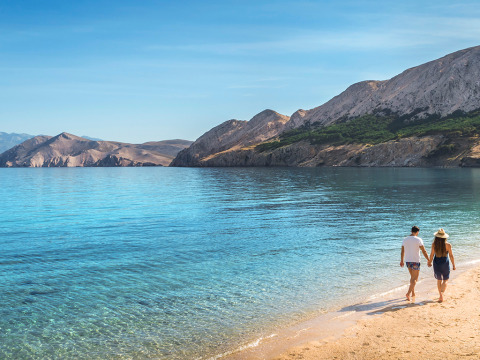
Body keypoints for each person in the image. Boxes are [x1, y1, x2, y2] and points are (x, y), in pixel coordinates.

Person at [400, 226, 429, 301]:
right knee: (415, 279)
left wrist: (402, 261)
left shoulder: (405, 239)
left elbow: (402, 251)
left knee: (412, 278)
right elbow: (424, 251)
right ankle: (408, 293)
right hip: (415, 261)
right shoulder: (418, 239)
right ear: (417, 232)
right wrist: (429, 259)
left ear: (411, 231)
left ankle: (413, 293)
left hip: (408, 261)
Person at [428, 228, 456, 303]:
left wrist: (429, 262)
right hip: (445, 263)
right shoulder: (448, 245)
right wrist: (453, 265)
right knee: (445, 280)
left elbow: (431, 255)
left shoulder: (434, 244)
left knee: (439, 280)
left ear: (436, 237)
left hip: (436, 263)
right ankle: (442, 294)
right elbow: (451, 256)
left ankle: (440, 295)